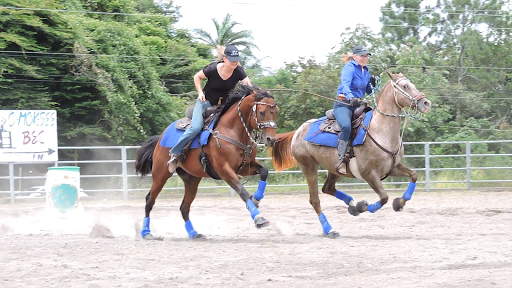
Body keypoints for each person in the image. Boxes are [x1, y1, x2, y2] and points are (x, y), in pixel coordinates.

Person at [167, 45, 252, 173]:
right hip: (205, 103)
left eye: (236, 59)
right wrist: (200, 92)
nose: (235, 62)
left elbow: (249, 86)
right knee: (195, 128)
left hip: (223, 106)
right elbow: (197, 77)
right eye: (232, 59)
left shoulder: (239, 71)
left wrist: (259, 94)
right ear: (225, 58)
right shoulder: (212, 68)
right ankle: (175, 154)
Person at [334, 45, 375, 174]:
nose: (365, 58)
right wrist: (351, 97)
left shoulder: (366, 70)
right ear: (355, 56)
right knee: (346, 126)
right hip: (344, 104)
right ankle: (341, 158)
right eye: (363, 55)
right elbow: (345, 85)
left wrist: (372, 85)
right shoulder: (349, 68)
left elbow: (367, 90)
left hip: (358, 105)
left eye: (367, 55)